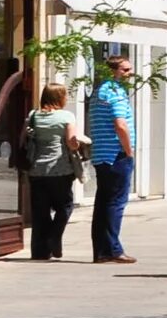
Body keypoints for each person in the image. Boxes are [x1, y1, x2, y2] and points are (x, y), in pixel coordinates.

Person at [19, 82, 89, 261]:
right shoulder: (66, 116)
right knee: (65, 205)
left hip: (36, 170)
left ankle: (40, 251)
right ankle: (54, 236)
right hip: (60, 169)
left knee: (40, 211)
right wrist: (80, 143)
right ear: (60, 98)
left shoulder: (33, 115)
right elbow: (71, 142)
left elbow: (22, 141)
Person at [86, 53, 138, 265]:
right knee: (115, 203)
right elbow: (120, 124)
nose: (130, 73)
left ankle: (101, 251)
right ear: (113, 71)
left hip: (101, 155)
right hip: (115, 155)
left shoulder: (100, 91)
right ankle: (114, 249)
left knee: (103, 203)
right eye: (125, 70)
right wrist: (129, 150)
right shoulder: (115, 92)